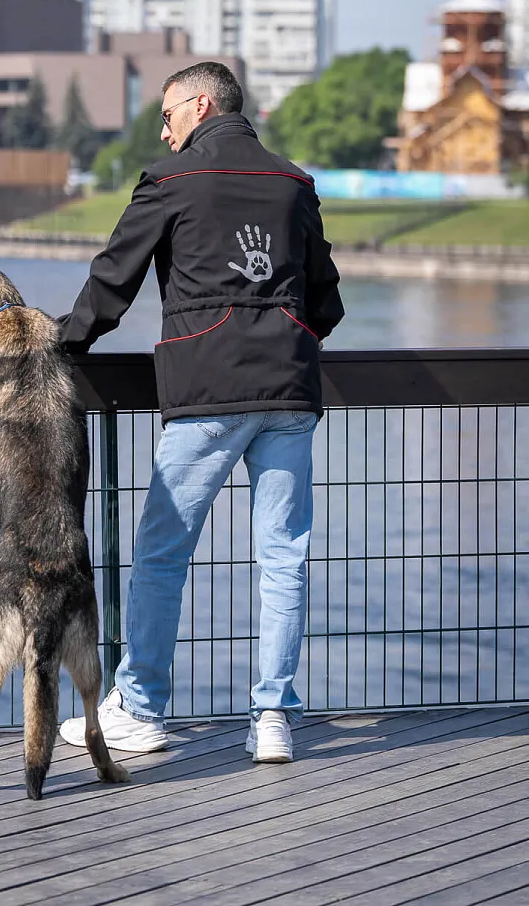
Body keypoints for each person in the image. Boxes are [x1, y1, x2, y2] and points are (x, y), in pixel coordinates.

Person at [57, 61, 344, 762]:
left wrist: (61, 339)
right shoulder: (294, 183)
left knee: (162, 555)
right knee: (284, 559)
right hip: (288, 391)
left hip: (207, 392)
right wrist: (285, 334)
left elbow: (111, 281)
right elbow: (327, 298)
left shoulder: (169, 180)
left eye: (167, 115)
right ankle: (273, 718)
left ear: (201, 105)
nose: (164, 129)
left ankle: (144, 710)